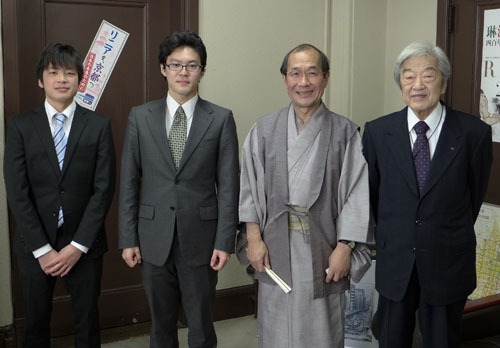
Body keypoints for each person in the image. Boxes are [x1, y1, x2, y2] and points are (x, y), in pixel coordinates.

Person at [238, 43, 372, 348]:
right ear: (284, 79)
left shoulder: (345, 132)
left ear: (325, 78)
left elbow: (356, 192)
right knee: (276, 325)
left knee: (322, 326)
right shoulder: (264, 129)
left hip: (324, 245)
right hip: (274, 244)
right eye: (295, 73)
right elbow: (248, 187)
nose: (304, 82)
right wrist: (254, 239)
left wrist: (345, 247)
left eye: (312, 73)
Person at [362, 40, 493, 348]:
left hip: (448, 260)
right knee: (391, 339)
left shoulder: (474, 133)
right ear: (400, 84)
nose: (417, 84)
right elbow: (373, 196)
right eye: (408, 76)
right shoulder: (378, 132)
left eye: (428, 75)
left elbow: (472, 198)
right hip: (396, 262)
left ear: (443, 82)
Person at [118, 30, 239, 348]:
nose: (183, 72)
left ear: (202, 71)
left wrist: (225, 241)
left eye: (192, 65)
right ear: (163, 68)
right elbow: (129, 182)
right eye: (175, 65)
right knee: (160, 326)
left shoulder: (221, 119)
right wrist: (128, 237)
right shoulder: (140, 117)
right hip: (152, 238)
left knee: (201, 325)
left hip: (201, 239)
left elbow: (228, 185)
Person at [3, 43, 116, 348]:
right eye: (53, 72)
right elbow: (17, 191)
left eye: (69, 73)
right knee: (36, 323)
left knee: (87, 321)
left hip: (84, 242)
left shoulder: (99, 125)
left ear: (80, 79)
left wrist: (78, 245)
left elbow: (103, 189)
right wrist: (43, 249)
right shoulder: (21, 126)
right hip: (34, 244)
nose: (62, 79)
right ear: (41, 80)